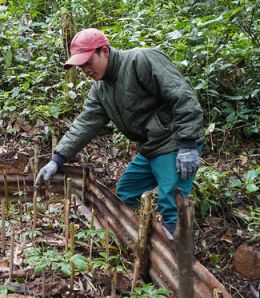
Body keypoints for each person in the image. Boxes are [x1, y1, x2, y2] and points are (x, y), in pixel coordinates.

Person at [35, 28, 204, 235]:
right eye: (81, 66)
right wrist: (57, 159)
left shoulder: (140, 60)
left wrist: (188, 144)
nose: (85, 70)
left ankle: (177, 261)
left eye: (88, 62)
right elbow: (85, 124)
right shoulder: (100, 89)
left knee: (173, 207)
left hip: (175, 141)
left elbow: (183, 96)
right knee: (125, 193)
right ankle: (138, 242)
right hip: (150, 146)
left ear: (104, 51)